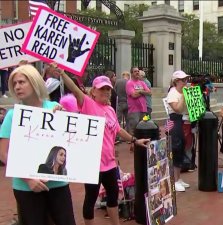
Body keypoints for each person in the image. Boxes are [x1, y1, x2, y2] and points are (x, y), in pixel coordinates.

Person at [59, 67, 150, 225]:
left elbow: (118, 129)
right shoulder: (88, 104)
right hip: (93, 163)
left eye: (108, 89)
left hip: (110, 163)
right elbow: (74, 89)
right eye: (102, 89)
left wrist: (135, 140)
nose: (106, 92)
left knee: (113, 195)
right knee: (91, 197)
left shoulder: (109, 109)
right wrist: (61, 73)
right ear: (93, 91)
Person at [0, 64, 76, 225]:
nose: (17, 87)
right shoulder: (12, 116)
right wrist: (29, 179)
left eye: (22, 82)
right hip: (26, 187)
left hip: (58, 184)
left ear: (35, 82)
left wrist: (64, 119)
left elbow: (71, 143)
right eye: (14, 84)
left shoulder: (55, 109)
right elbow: (3, 153)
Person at [166, 70, 191, 192]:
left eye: (186, 79)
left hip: (182, 121)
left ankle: (178, 178)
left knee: (181, 149)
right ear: (176, 81)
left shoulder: (181, 92)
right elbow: (177, 109)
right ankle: (174, 180)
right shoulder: (172, 93)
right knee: (176, 149)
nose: (185, 82)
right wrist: (184, 96)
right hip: (174, 121)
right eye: (183, 80)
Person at [126, 67, 152, 136]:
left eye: (138, 71)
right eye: (135, 71)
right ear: (131, 73)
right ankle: (133, 144)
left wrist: (140, 91)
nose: (137, 72)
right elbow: (134, 95)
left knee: (142, 127)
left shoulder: (142, 83)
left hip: (143, 109)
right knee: (134, 129)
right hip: (134, 110)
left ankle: (140, 144)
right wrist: (143, 92)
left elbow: (149, 93)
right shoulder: (129, 83)